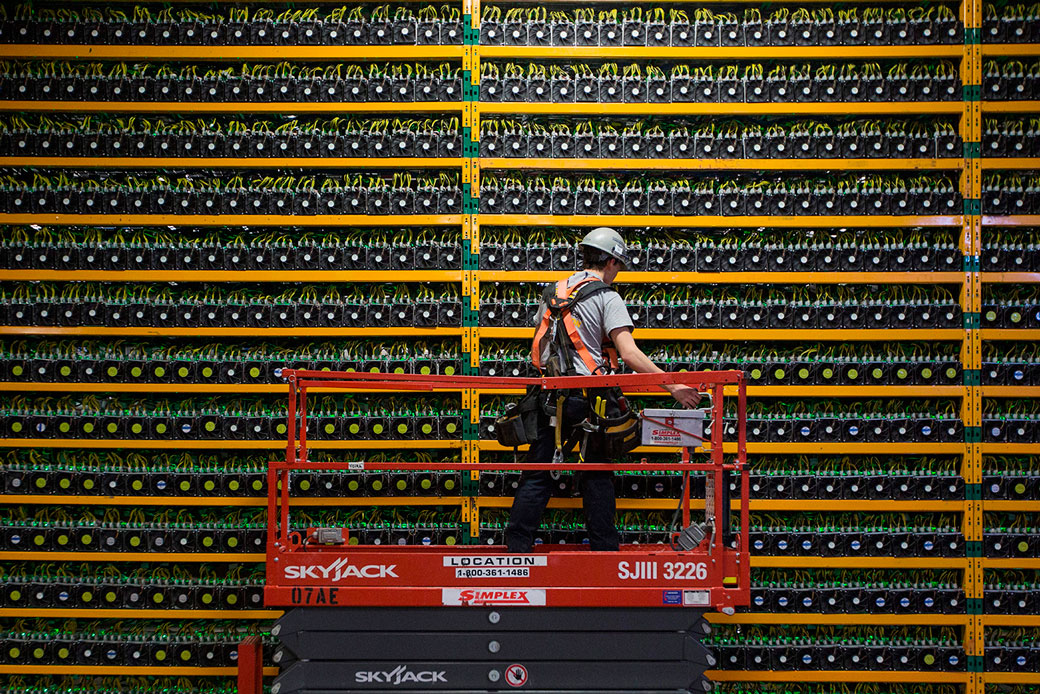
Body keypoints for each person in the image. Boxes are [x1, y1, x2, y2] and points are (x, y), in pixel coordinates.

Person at [505, 227, 702, 553]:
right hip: (588, 399)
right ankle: (604, 552)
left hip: (549, 397)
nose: (617, 272)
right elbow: (629, 353)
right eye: (619, 265)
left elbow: (539, 347)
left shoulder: (554, 291)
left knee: (537, 473)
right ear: (610, 260)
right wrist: (674, 387)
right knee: (597, 475)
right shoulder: (607, 297)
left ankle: (517, 550)